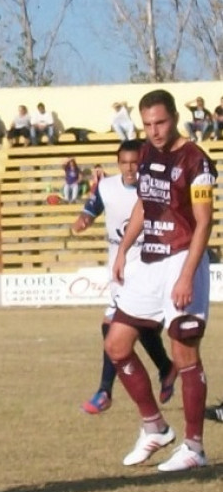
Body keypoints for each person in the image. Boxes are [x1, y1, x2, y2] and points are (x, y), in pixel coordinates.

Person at [105, 89, 216, 472]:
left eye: (161, 122)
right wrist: (123, 249)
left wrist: (187, 276)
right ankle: (154, 427)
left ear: (174, 118)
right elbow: (143, 204)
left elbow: (204, 221)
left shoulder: (196, 160)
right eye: (148, 124)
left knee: (184, 353)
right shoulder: (148, 152)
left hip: (183, 257)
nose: (153, 131)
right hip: (150, 259)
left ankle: (194, 448)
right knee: (116, 345)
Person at [71, 140, 175, 415]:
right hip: (119, 268)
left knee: (112, 326)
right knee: (141, 328)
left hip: (148, 267)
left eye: (135, 163)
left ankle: (105, 390)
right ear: (118, 164)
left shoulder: (154, 186)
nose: (130, 169)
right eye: (124, 163)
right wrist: (82, 221)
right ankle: (166, 368)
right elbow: (90, 210)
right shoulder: (106, 187)